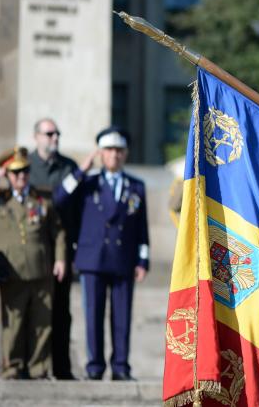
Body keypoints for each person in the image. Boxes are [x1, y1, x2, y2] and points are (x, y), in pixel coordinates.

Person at [54, 127, 149, 381]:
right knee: (93, 315)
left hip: (123, 259)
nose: (114, 156)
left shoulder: (136, 186)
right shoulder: (87, 182)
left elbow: (142, 228)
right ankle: (94, 367)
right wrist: (81, 169)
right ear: (100, 153)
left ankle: (120, 366)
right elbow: (59, 199)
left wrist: (143, 259)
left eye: (119, 151)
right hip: (92, 258)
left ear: (125, 154)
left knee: (122, 316)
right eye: (108, 150)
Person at [0, 147, 66, 379]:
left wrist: (60, 259)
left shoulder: (41, 198)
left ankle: (38, 368)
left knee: (41, 323)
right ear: (8, 175)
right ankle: (13, 366)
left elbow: (58, 232)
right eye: (15, 172)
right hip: (12, 272)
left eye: (25, 171)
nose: (21, 177)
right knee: (13, 323)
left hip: (41, 269)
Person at [27, 118, 79, 380]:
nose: (54, 137)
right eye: (49, 133)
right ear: (36, 136)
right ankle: (28, 366)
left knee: (60, 312)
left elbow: (77, 210)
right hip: (33, 250)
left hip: (62, 251)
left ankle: (62, 367)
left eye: (57, 133)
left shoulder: (69, 167)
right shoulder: (25, 166)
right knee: (31, 310)